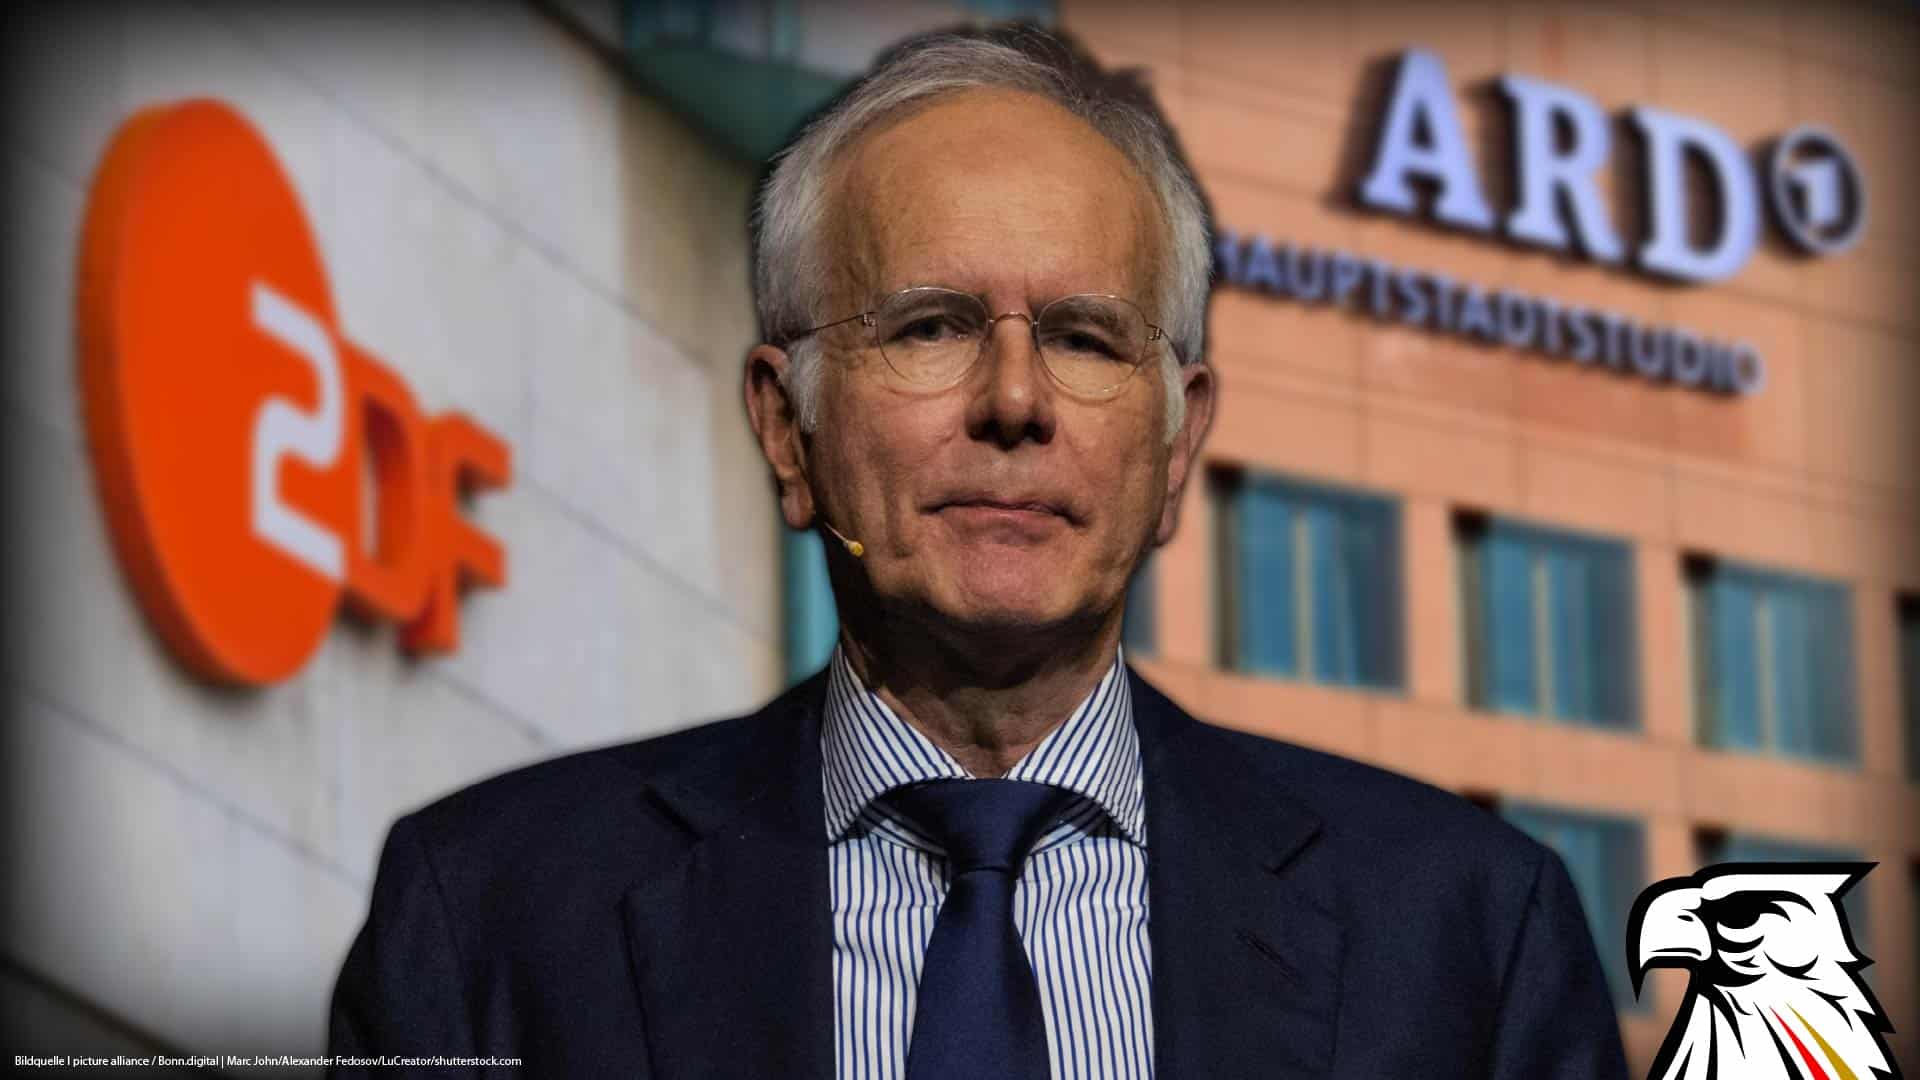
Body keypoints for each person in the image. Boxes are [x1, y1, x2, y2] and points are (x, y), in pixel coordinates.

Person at [329, 23, 1629, 1080]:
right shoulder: (487, 914)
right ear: (786, 429)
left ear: (1177, 445)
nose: (1015, 402)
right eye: (932, 327)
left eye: (1085, 338)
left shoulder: (1468, 934)